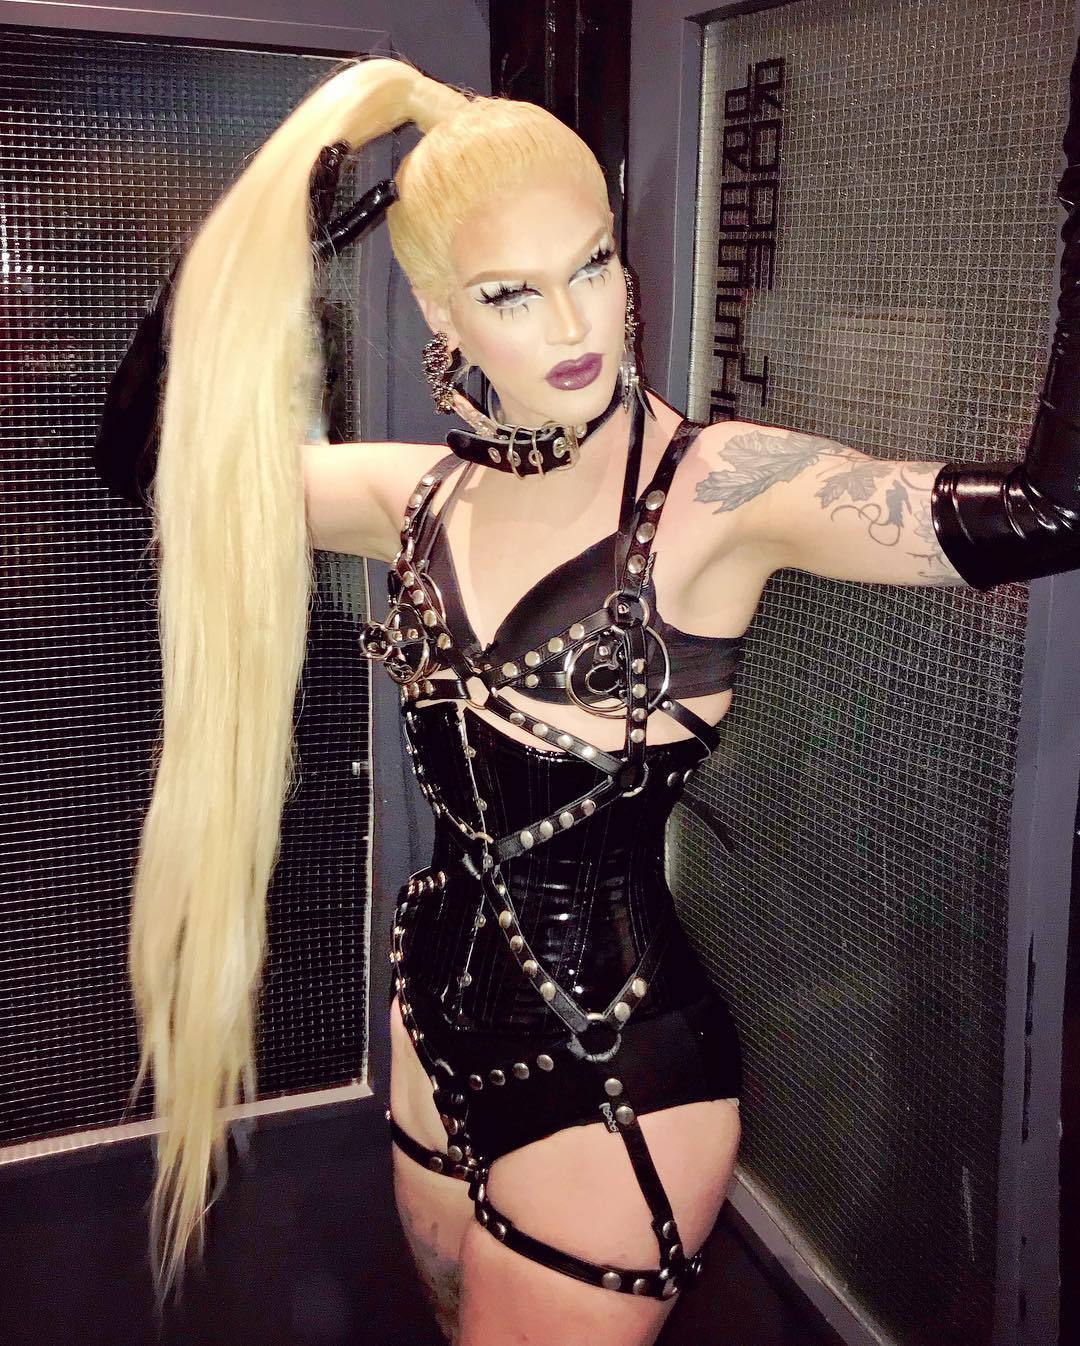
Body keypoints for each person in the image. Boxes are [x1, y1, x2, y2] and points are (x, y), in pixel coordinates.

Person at [91, 42, 1080, 1346]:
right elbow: (149, 462)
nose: (573, 326)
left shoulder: (722, 492)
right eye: (511, 291)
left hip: (610, 1080)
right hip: (431, 1027)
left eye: (592, 266)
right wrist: (272, 240)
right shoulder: (416, 496)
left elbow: (1051, 509)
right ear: (440, 313)